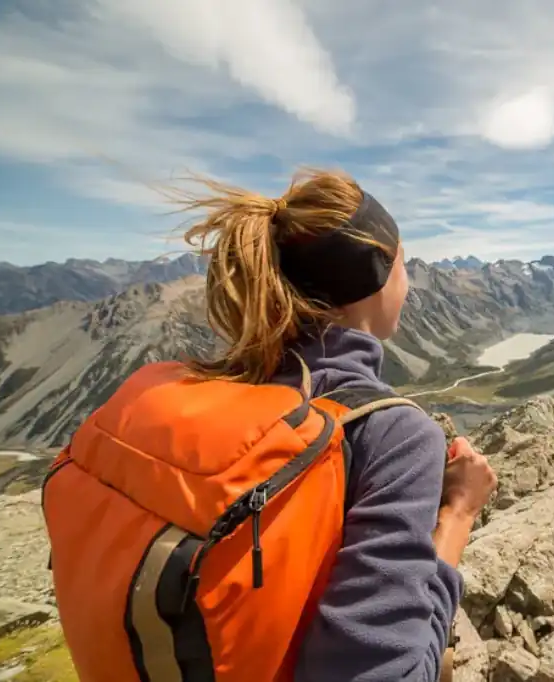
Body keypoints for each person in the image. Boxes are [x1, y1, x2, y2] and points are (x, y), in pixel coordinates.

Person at [41, 168, 498, 682]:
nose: (409, 281)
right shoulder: (395, 435)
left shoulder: (220, 389)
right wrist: (457, 513)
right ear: (378, 272)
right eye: (403, 263)